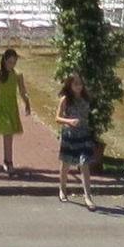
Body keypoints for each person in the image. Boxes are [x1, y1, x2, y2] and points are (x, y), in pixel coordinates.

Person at [0, 48, 33, 177]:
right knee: (8, 133)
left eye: (14, 62)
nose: (12, 65)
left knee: (9, 135)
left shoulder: (17, 75)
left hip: (12, 106)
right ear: (4, 61)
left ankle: (7, 160)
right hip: (1, 106)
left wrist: (27, 103)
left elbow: (22, 91)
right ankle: (9, 162)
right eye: (10, 62)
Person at [49, 71, 97, 209]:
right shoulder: (65, 99)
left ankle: (88, 196)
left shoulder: (85, 98)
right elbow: (57, 118)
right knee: (66, 164)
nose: (79, 87)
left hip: (83, 134)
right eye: (76, 84)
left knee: (84, 163)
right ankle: (62, 188)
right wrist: (69, 121)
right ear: (70, 85)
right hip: (70, 135)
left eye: (80, 84)